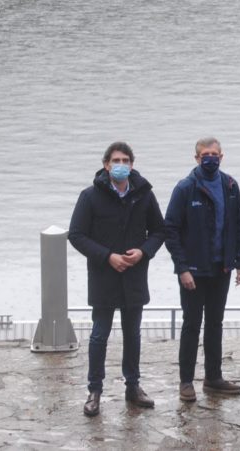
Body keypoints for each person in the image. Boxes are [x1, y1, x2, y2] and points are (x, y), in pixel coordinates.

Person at [68, 142, 165, 417]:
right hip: (103, 276)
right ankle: (94, 390)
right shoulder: (89, 196)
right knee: (99, 335)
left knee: (133, 334)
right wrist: (107, 256)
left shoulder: (144, 195)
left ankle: (133, 387)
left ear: (132, 164)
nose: (120, 165)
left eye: (125, 160)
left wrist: (143, 252)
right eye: (115, 160)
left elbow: (159, 230)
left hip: (134, 275)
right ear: (106, 165)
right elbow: (76, 235)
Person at [164, 137, 240, 402]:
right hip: (193, 270)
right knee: (191, 324)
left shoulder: (231, 185)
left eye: (214, 154)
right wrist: (182, 268)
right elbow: (170, 230)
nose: (210, 158)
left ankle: (213, 378)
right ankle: (186, 381)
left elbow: (239, 225)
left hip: (220, 268)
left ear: (222, 157)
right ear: (197, 158)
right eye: (205, 154)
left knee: (215, 324)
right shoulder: (185, 188)